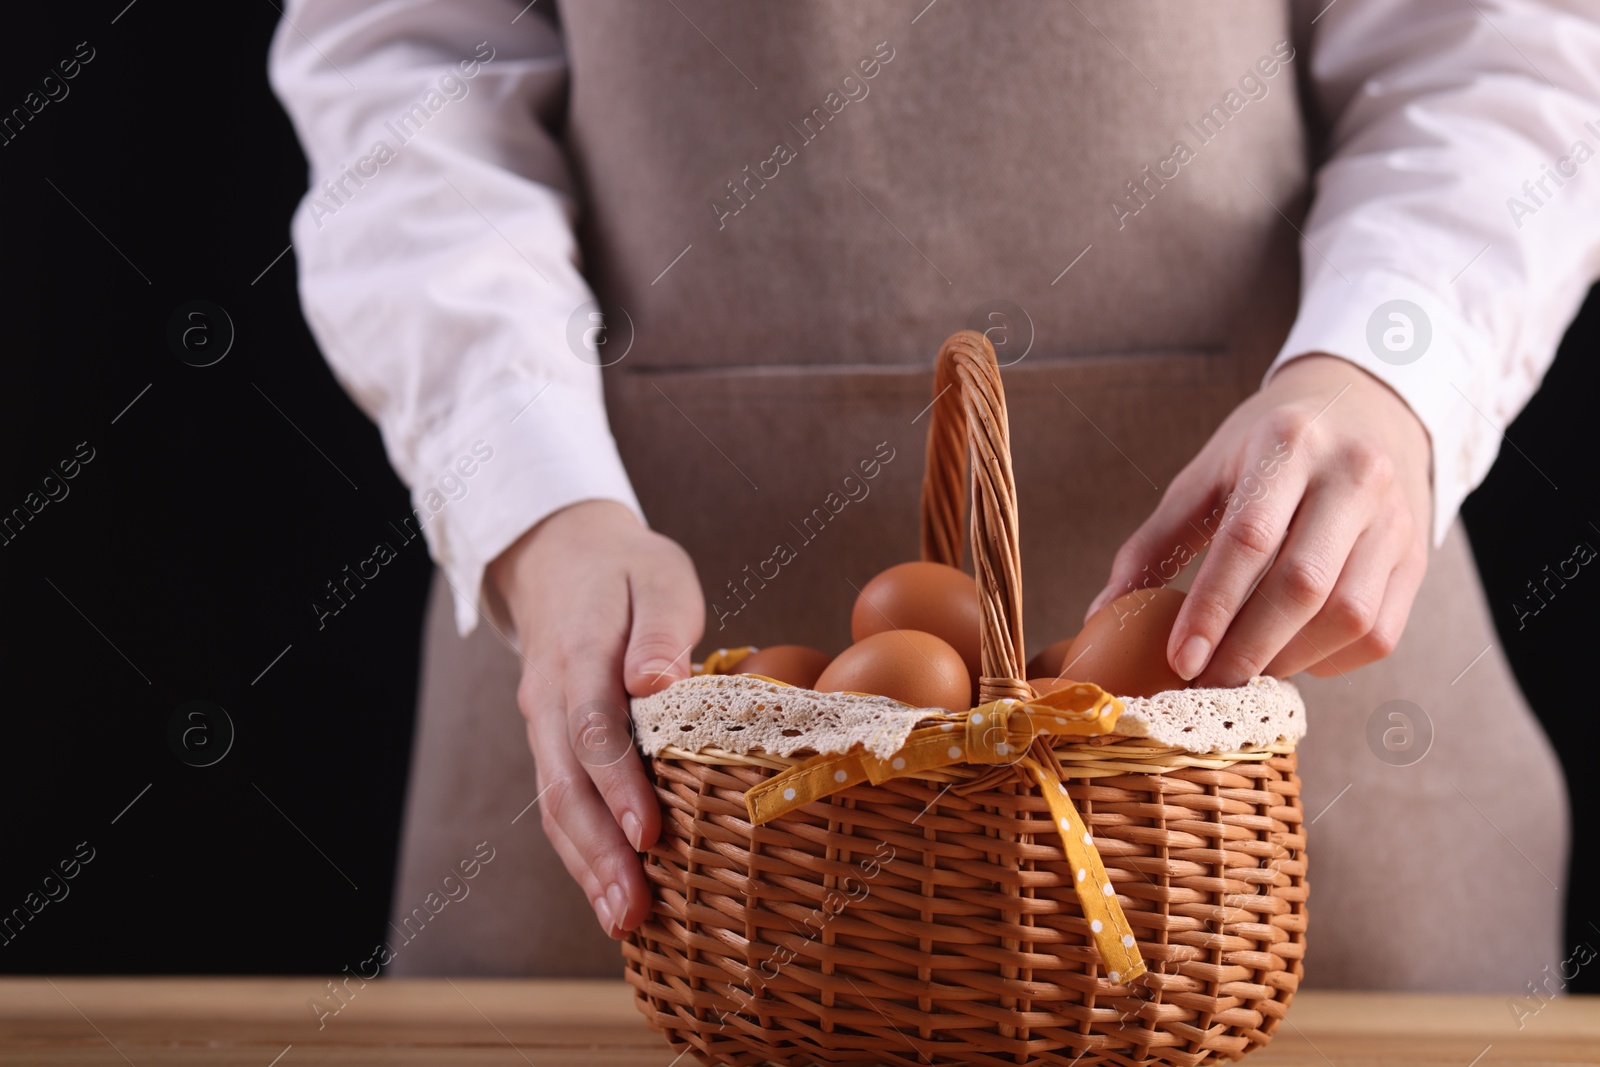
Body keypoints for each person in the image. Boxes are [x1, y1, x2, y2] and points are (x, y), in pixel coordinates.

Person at [269, 0, 1600, 989]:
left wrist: (1387, 370)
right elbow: (411, 65)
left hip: (1284, 699)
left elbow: (1491, 41)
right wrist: (538, 503)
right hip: (634, 699)